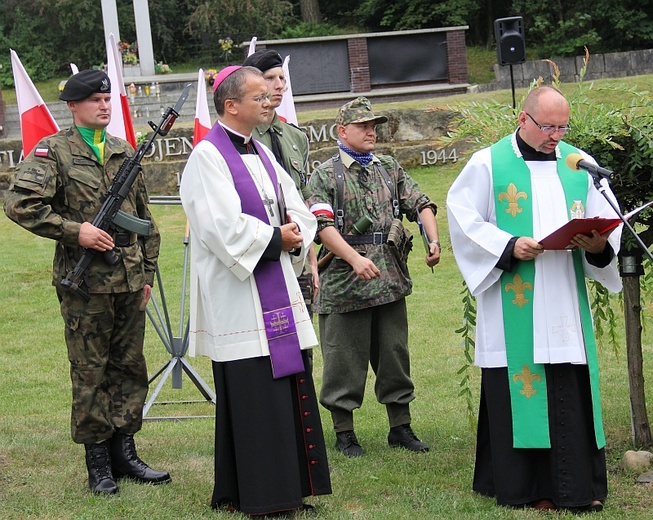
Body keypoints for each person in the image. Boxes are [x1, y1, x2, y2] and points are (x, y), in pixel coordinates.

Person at [446, 86, 622, 512]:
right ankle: (525, 487)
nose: (555, 136)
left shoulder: (580, 165)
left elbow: (610, 223)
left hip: (563, 294)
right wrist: (508, 246)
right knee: (522, 384)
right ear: (523, 119)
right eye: (547, 127)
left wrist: (598, 245)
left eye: (562, 127)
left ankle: (576, 487)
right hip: (517, 297)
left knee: (567, 382)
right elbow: (462, 217)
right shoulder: (488, 163)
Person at [4, 70, 170, 495]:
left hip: (129, 281)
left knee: (130, 369)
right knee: (90, 372)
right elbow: (20, 204)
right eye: (94, 99)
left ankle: (126, 453)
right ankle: (98, 464)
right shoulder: (53, 152)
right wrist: (74, 230)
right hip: (86, 286)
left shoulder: (123, 149)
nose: (103, 105)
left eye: (106, 98)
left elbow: (146, 221)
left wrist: (147, 274)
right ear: (73, 106)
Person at [179, 65, 331, 516]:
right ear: (231, 105)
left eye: (270, 96)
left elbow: (298, 207)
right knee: (254, 395)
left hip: (275, 286)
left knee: (282, 387)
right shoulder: (208, 157)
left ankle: (279, 488)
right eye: (260, 97)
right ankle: (264, 494)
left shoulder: (262, 153)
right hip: (239, 296)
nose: (270, 103)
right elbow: (219, 225)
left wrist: (295, 233)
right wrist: (274, 238)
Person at [307, 96, 441, 458]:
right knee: (343, 359)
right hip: (344, 285)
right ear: (342, 131)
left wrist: (434, 239)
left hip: (389, 281)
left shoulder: (387, 167)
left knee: (395, 355)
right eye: (363, 126)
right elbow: (321, 227)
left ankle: (400, 426)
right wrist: (353, 258)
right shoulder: (325, 175)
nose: (371, 131)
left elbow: (421, 202)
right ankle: (344, 432)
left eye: (373, 125)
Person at [242, 49, 319, 363]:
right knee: (266, 341)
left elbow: (304, 199)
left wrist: (313, 258)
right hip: (263, 250)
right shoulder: (244, 139)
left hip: (298, 253)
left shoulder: (294, 137)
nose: (278, 86)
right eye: (269, 79)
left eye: (281, 78)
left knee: (302, 341)